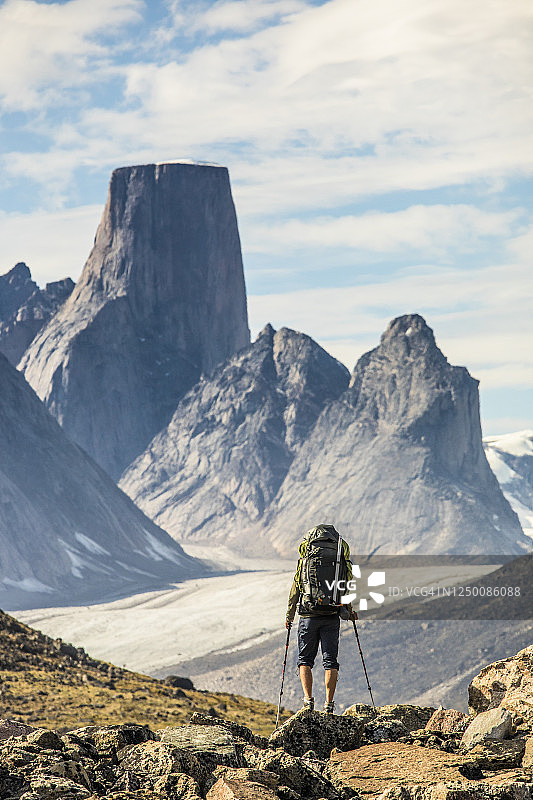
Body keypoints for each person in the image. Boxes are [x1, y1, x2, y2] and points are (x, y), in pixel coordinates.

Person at [285, 523, 357, 714]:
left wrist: (289, 615)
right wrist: (349, 611)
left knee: (305, 660)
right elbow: (346, 585)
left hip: (308, 615)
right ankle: (329, 705)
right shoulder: (339, 555)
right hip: (332, 614)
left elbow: (296, 588)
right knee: (330, 661)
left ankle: (308, 702)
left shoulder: (307, 557)